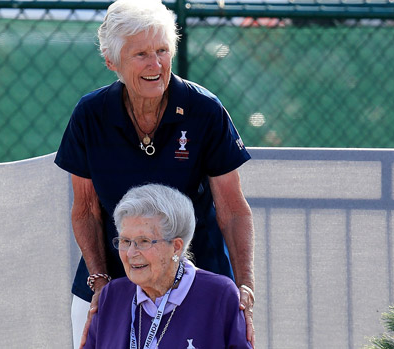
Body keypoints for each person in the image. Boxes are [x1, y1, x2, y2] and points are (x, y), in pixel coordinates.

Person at [54, 0, 255, 347]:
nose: (156, 64)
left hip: (197, 283)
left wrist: (244, 288)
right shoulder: (90, 114)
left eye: (163, 50)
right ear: (111, 61)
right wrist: (101, 283)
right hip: (113, 283)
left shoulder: (205, 110)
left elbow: (233, 209)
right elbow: (85, 209)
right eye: (142, 54)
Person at [84, 184, 252, 348]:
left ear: (176, 247)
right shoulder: (111, 296)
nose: (130, 253)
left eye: (144, 241)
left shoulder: (219, 295)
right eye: (125, 241)